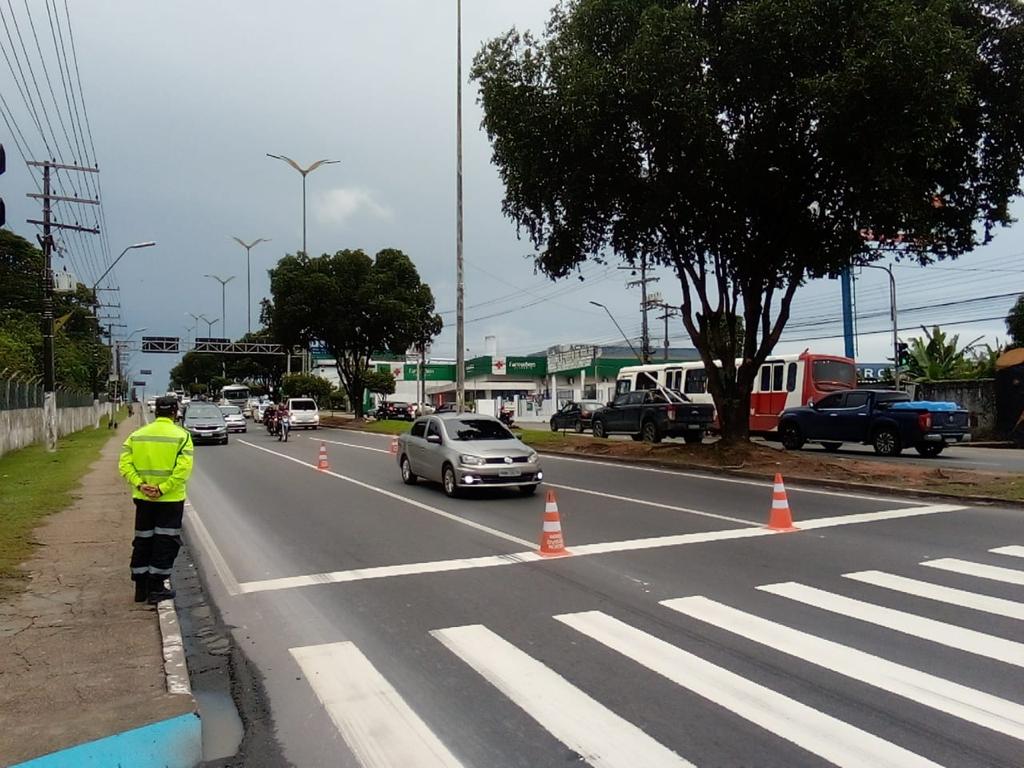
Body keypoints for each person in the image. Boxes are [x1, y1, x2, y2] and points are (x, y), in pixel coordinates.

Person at [118, 395, 194, 604]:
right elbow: (182, 471)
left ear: (157, 411)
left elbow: (125, 464)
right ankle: (157, 587)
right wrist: (162, 489)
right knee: (165, 541)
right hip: (170, 500)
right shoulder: (182, 436)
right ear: (175, 412)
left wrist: (140, 485)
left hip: (143, 499)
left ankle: (140, 588)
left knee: (143, 539)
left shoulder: (136, 436)